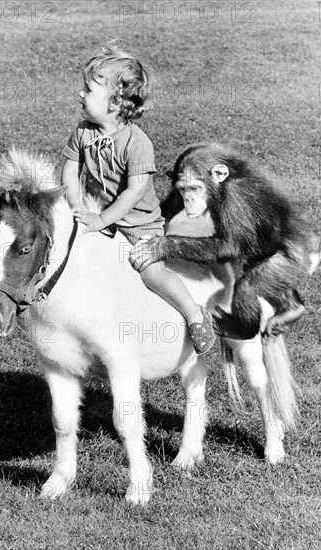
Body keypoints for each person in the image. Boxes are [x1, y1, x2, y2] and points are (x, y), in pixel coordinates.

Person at [61, 43, 215, 354]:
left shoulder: (137, 143)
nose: (80, 94)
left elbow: (133, 192)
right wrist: (79, 209)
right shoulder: (83, 132)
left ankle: (196, 315)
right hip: (97, 212)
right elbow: (69, 170)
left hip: (138, 225)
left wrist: (102, 220)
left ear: (115, 102)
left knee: (151, 271)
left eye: (88, 90)